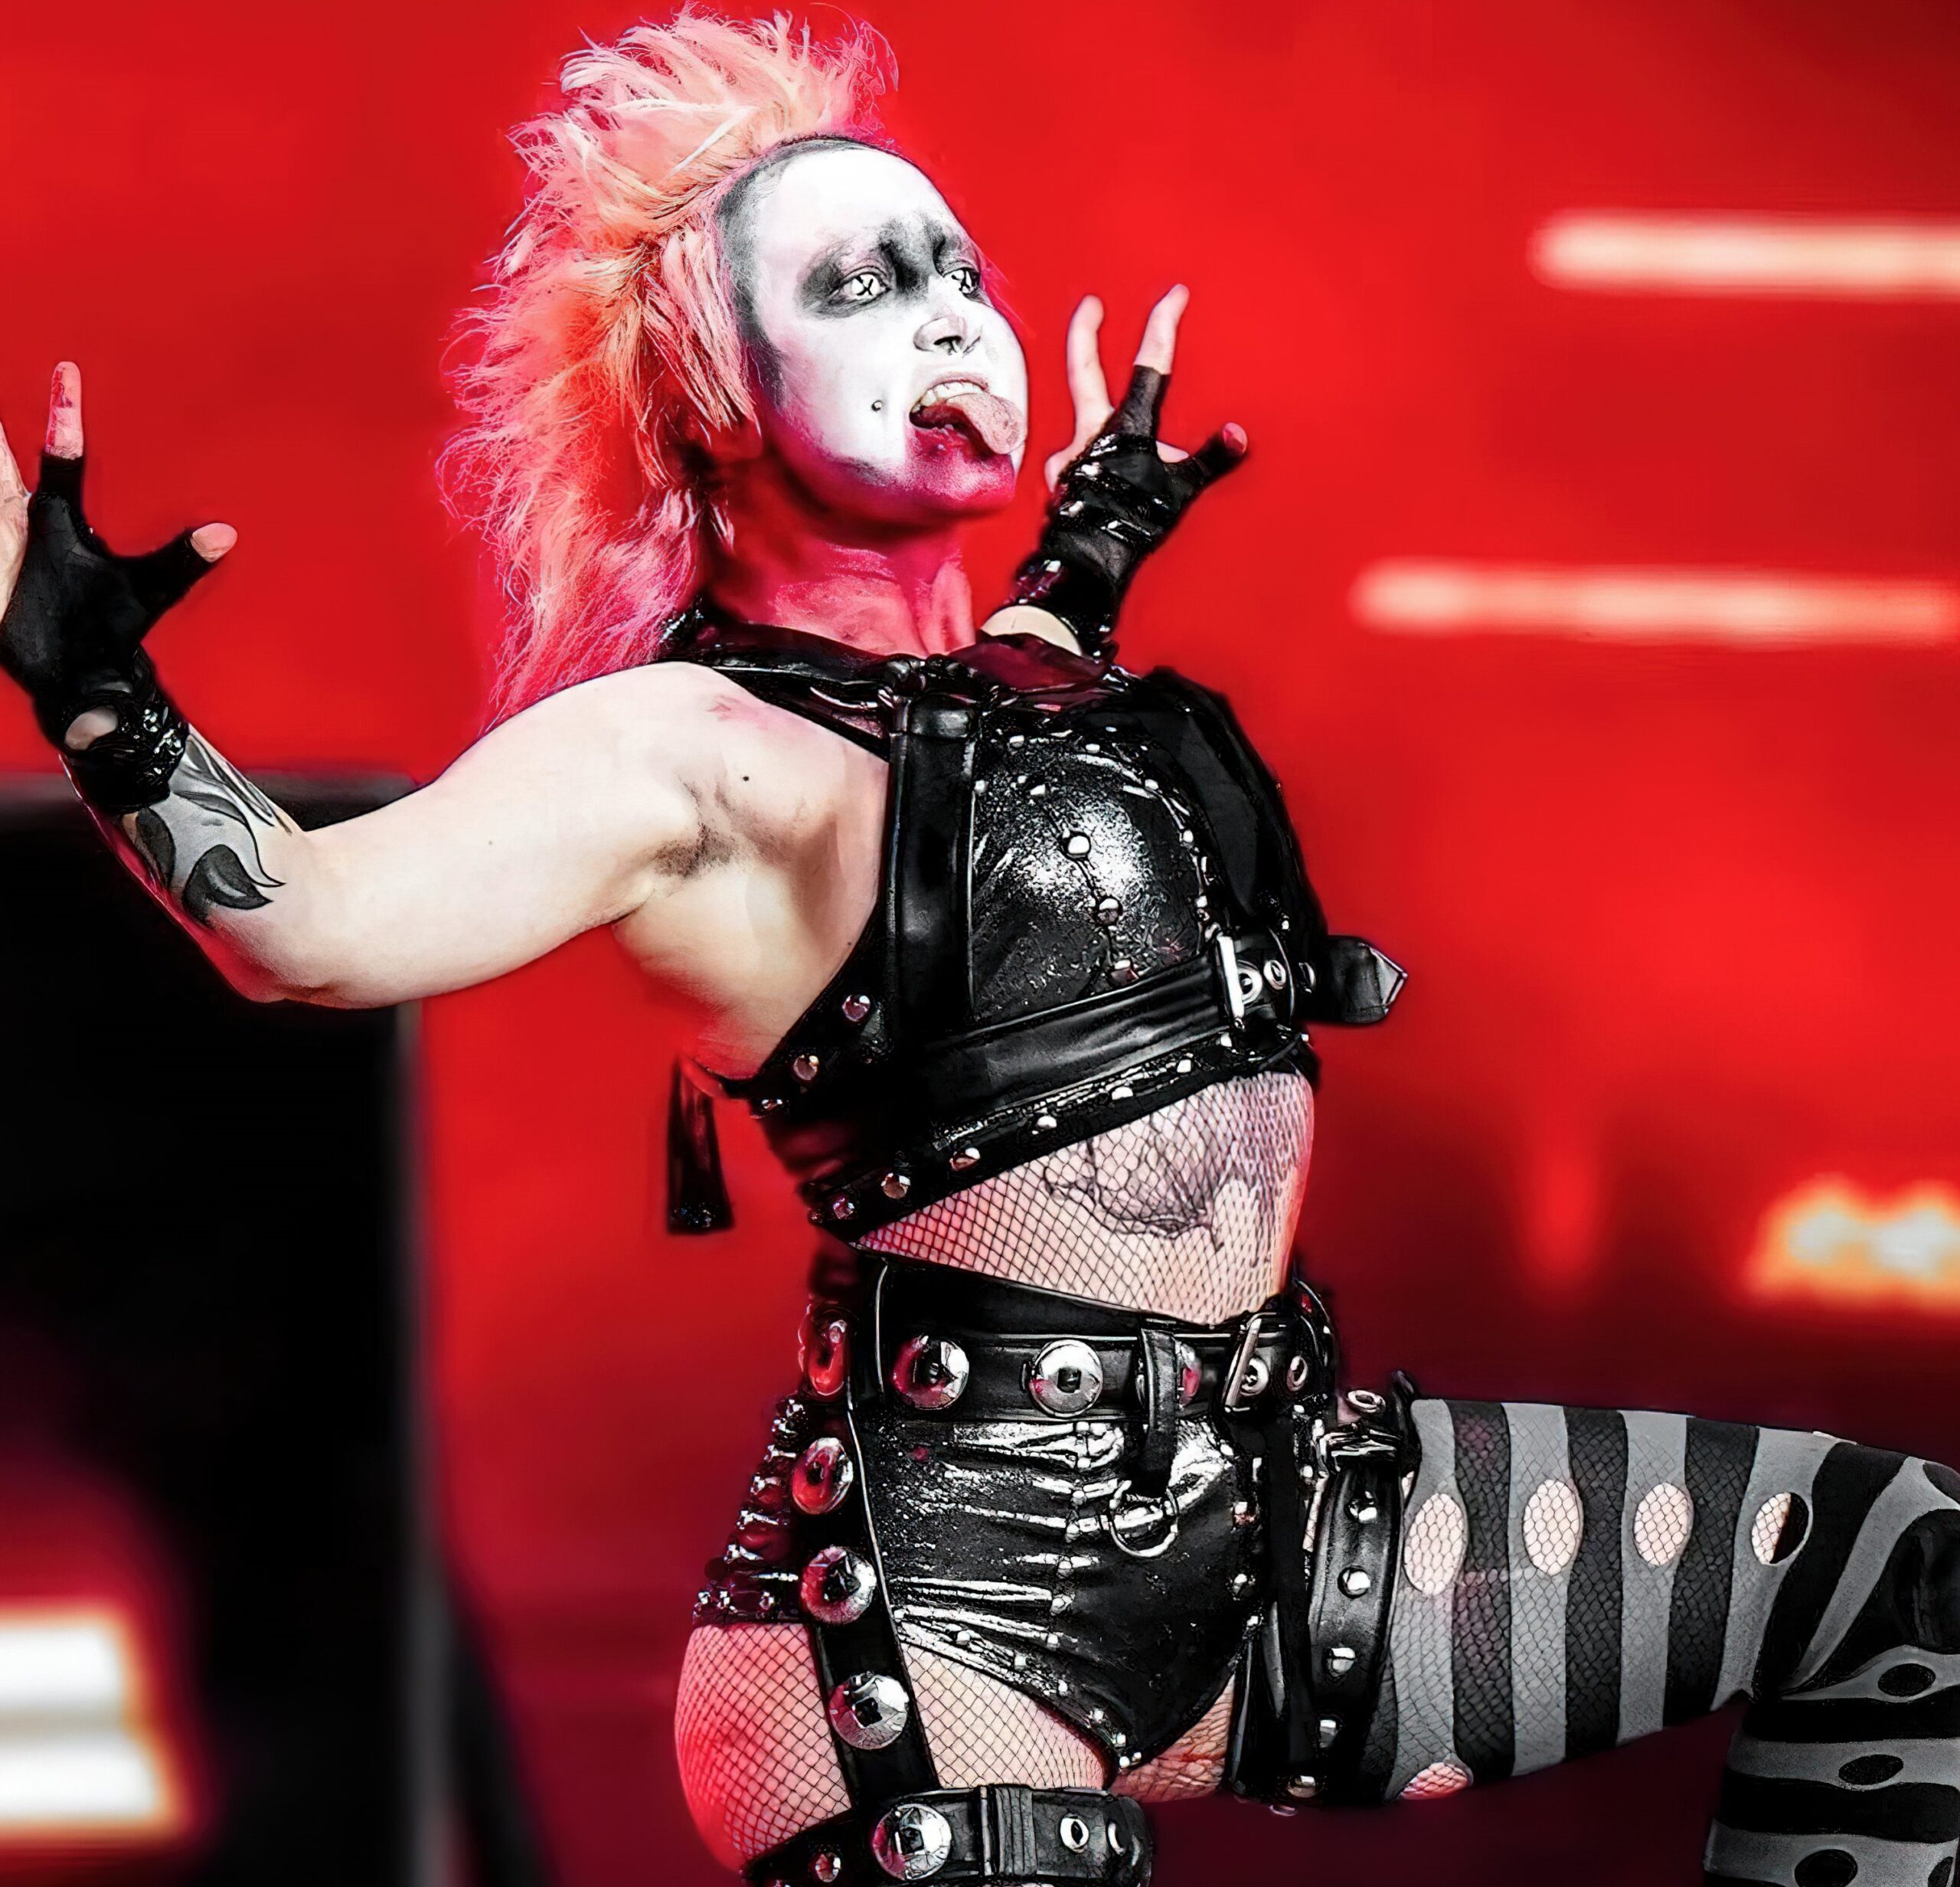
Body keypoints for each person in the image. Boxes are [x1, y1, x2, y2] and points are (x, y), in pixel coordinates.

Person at [2, 15, 1956, 1887]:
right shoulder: (682, 747)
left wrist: (1083, 553)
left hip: (1270, 1516)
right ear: (709, 394)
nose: (946, 313)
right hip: (933, 1629)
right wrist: (89, 677)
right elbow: (306, 928)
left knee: (1902, 1571)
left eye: (956, 270)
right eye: (860, 286)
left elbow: (978, 726)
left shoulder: (1005, 681)